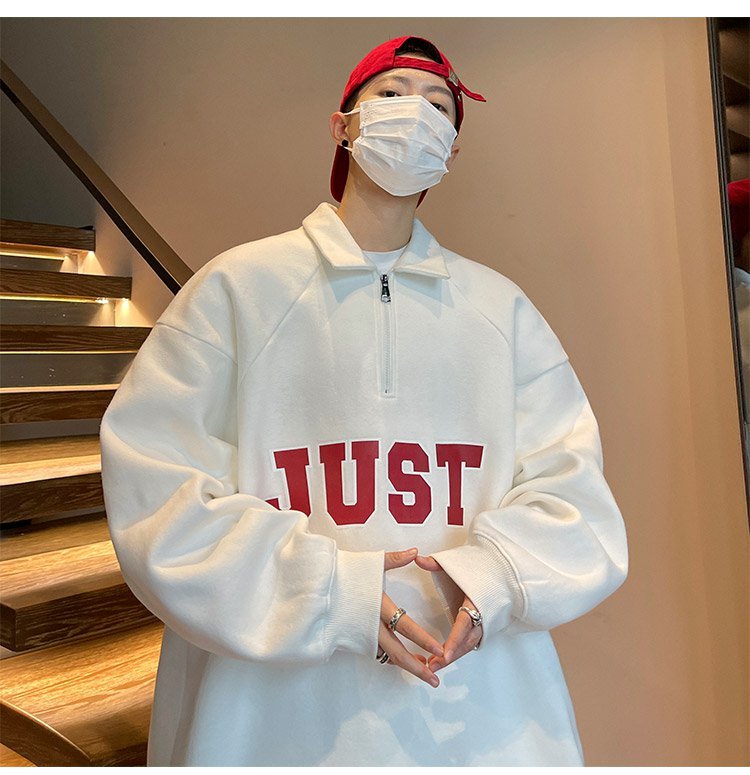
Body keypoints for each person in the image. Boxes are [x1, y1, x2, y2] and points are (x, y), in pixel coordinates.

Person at [99, 34, 629, 766]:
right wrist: (327, 591)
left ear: (451, 150)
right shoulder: (237, 290)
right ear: (342, 123)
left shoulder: (500, 310)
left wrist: (496, 577)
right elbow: (156, 486)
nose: (416, 113)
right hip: (271, 709)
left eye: (439, 105)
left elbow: (573, 491)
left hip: (476, 705)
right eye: (392, 94)